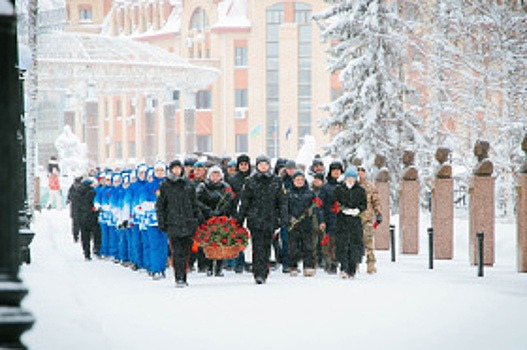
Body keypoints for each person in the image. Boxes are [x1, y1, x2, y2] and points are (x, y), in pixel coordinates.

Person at [236, 155, 288, 284]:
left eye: (266, 164)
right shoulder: (250, 181)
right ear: (257, 166)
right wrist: (240, 219)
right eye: (261, 165)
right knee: (257, 246)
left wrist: (283, 217)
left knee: (267, 246)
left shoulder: (276, 181)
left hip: (271, 217)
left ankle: (264, 271)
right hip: (255, 218)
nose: (263, 167)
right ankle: (258, 273)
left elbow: (282, 201)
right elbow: (245, 201)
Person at [157, 159, 203, 287]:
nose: (177, 171)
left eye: (179, 168)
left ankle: (184, 275)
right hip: (173, 222)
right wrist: (162, 221)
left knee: (186, 251)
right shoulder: (165, 185)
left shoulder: (188, 184)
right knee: (177, 252)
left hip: (188, 222)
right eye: (174, 169)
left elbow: (194, 204)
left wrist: (198, 219)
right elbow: (161, 206)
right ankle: (179, 277)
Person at [196, 165, 235, 277]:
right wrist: (208, 211)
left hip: (221, 218)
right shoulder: (203, 187)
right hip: (206, 217)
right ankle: (208, 266)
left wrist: (221, 211)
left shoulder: (226, 187)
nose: (215, 177)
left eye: (217, 175)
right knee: (208, 242)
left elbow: (229, 201)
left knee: (221, 241)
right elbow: (198, 201)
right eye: (213, 174)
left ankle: (219, 267)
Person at [333, 166, 367, 279]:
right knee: (342, 244)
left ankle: (352, 269)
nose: (351, 180)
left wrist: (357, 210)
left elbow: (364, 204)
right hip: (342, 221)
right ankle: (343, 267)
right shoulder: (339, 189)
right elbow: (335, 203)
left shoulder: (360, 190)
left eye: (353, 178)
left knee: (354, 244)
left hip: (355, 221)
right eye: (349, 177)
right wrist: (343, 210)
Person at [287, 170, 316, 277]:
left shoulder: (310, 193)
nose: (299, 182)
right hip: (293, 224)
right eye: (297, 180)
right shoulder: (288, 193)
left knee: (308, 246)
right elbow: (284, 208)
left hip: (306, 223)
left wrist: (311, 211)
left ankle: (308, 266)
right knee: (293, 247)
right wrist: (289, 218)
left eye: (301, 180)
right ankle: (293, 266)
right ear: (293, 181)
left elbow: (316, 206)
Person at [226, 154, 252, 273]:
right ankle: (238, 262)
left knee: (250, 238)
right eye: (241, 164)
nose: (243, 166)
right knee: (238, 238)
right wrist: (232, 211)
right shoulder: (232, 180)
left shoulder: (253, 178)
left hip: (252, 212)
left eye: (245, 164)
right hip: (237, 211)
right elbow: (229, 198)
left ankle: (249, 262)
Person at [318, 161, 344, 274]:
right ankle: (331, 263)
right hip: (329, 218)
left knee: (341, 242)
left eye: (338, 170)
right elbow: (320, 205)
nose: (337, 172)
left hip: (342, 218)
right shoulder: (325, 187)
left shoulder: (343, 185)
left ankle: (340, 262)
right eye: (334, 170)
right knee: (330, 243)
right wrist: (322, 220)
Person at [144, 162, 168, 280]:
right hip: (152, 220)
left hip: (165, 220)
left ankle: (162, 268)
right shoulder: (149, 186)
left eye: (162, 171)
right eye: (157, 171)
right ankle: (155, 269)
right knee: (154, 245)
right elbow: (143, 203)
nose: (160, 173)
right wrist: (155, 206)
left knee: (164, 245)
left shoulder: (168, 184)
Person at [357, 165, 382, 274]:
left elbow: (375, 201)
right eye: (358, 172)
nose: (360, 174)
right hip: (354, 218)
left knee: (369, 242)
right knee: (355, 243)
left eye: (362, 172)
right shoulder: (351, 186)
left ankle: (371, 265)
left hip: (367, 218)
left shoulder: (370, 186)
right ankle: (355, 264)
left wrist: (378, 213)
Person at [77, 177, 99, 260]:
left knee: (85, 236)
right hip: (91, 216)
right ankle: (96, 249)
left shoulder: (78, 192)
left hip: (82, 217)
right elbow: (93, 205)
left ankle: (86, 253)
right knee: (96, 234)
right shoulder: (92, 192)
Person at [311, 172, 325, 268]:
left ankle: (322, 259)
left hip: (323, 217)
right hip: (313, 217)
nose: (317, 182)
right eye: (315, 179)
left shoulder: (324, 191)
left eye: (319, 180)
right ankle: (314, 260)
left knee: (323, 240)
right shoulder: (310, 191)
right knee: (313, 241)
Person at [67, 176, 83, 242]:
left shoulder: (72, 188)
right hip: (78, 208)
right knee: (78, 223)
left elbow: (69, 197)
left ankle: (76, 236)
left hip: (76, 208)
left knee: (76, 223)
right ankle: (76, 236)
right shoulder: (74, 188)